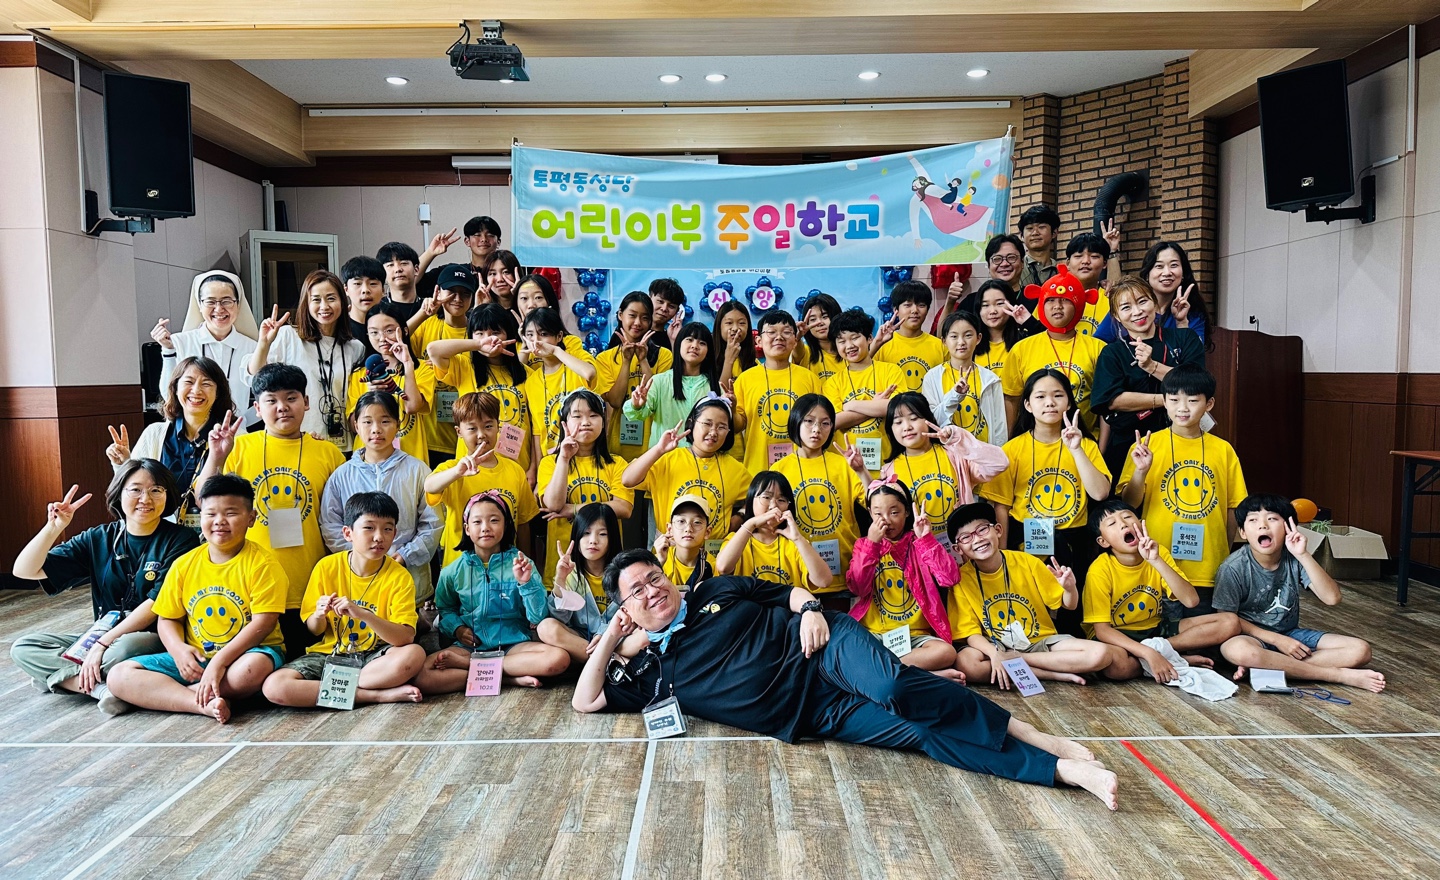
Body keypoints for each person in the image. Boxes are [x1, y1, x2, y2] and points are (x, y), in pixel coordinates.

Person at [574, 549, 1119, 810]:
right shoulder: (652, 671)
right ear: (625, 609)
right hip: (815, 713)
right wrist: (611, 638)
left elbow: (786, 594)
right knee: (923, 735)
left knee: (894, 689)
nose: (653, 591)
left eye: (654, 578)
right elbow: (586, 701)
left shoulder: (715, 590)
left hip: (825, 648)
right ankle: (1059, 770)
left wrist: (812, 608)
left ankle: (1034, 734)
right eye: (636, 592)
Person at [10, 462, 200, 713]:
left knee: (122, 650)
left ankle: (57, 676)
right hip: (102, 633)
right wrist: (53, 528)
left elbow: (156, 604)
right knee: (24, 648)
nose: (145, 499)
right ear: (119, 493)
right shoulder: (99, 537)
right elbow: (24, 570)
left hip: (150, 636)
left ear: (168, 496)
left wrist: (101, 644)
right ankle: (100, 689)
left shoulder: (182, 539)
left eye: (156, 490)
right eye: (135, 490)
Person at [105, 474, 288, 724]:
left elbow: (263, 623)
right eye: (210, 514)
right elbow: (168, 619)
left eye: (231, 513)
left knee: (253, 668)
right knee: (119, 675)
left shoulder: (263, 564)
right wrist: (178, 651)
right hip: (197, 659)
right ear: (200, 517)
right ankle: (202, 704)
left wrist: (219, 663)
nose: (219, 521)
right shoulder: (184, 564)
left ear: (251, 518)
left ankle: (172, 695)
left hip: (246, 654)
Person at [195, 363, 348, 658]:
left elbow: (341, 517)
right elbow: (204, 501)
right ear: (257, 407)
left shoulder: (328, 452)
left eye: (291, 398)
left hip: (310, 587)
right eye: (271, 400)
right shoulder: (238, 448)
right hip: (251, 587)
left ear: (306, 402)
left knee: (304, 666)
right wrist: (216, 456)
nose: (282, 407)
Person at [262, 492, 427, 708]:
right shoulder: (326, 567)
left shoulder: (399, 576)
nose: (379, 537)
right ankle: (373, 696)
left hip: (375, 660)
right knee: (275, 686)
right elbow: (314, 630)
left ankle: (343, 688)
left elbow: (405, 638)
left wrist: (364, 615)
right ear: (348, 533)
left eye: (387, 529)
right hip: (331, 655)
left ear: (395, 533)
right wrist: (319, 615)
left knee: (414, 654)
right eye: (369, 528)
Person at [1215, 495, 1386, 693]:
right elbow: (1226, 619)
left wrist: (1303, 554)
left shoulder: (1295, 557)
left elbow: (1332, 598)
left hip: (1291, 634)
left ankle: (1267, 666)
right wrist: (1278, 640)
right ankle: (1336, 675)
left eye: (1272, 518)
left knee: (1360, 650)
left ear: (1289, 527)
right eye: (1253, 520)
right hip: (1250, 637)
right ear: (1243, 532)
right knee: (1241, 651)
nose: (1263, 525)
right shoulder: (1233, 567)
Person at [947, 503, 1124, 687]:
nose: (977, 539)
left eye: (982, 529)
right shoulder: (961, 580)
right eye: (966, 537)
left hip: (1041, 642)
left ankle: (1017, 660)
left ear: (998, 530)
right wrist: (994, 653)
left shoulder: (1027, 562)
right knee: (966, 663)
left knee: (1100, 654)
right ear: (958, 549)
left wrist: (1070, 589)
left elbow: (1069, 605)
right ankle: (1053, 674)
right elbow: (970, 633)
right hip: (996, 644)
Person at [979, 371, 1110, 617]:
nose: (1049, 402)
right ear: (1027, 405)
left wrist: (1076, 450)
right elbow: (1001, 507)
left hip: (1073, 543)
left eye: (1058, 395)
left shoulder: (1086, 445)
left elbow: (1100, 493)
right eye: (1040, 397)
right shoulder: (1012, 449)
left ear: (1069, 403)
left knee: (1069, 614)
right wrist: (1003, 556)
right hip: (1025, 543)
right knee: (1031, 611)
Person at [413, 493, 570, 692]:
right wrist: (458, 629)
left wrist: (526, 583)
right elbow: (446, 610)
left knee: (558, 658)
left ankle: (474, 668)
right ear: (467, 528)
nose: (486, 527)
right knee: (422, 675)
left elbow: (538, 617)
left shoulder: (523, 564)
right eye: (477, 522)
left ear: (506, 525)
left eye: (494, 520)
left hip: (514, 647)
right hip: (469, 648)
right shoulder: (452, 571)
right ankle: (507, 679)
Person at [1119, 366, 1247, 607]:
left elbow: (1233, 507)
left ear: (1209, 404)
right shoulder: (1146, 446)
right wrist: (1141, 470)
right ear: (1164, 401)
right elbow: (1129, 503)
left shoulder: (1223, 450)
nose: (1183, 408)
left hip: (1208, 564)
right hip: (1158, 560)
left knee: (1205, 624)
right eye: (1174, 400)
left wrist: (1223, 550)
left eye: (1193, 400)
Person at [1084, 499, 1240, 682]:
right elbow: (1102, 631)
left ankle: (1160, 655)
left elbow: (1191, 600)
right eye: (1112, 523)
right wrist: (1146, 652)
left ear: (1141, 523)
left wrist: (1156, 561)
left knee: (1230, 622)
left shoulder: (1158, 553)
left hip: (1156, 630)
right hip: (1118, 635)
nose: (1123, 524)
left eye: (1127, 517)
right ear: (1103, 541)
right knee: (1117, 668)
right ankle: (1169, 659)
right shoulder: (1100, 570)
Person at [320, 391, 442, 600]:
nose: (376, 429)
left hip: (408, 578)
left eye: (385, 421)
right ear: (356, 426)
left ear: (398, 424)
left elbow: (433, 523)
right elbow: (330, 525)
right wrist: (361, 555)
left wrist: (405, 555)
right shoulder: (342, 475)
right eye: (367, 422)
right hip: (358, 580)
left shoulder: (417, 470)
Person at [1090, 276, 1205, 476]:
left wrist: (1152, 366)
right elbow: (1111, 400)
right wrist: (1168, 401)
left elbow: (1196, 384)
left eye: (1142, 301)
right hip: (1129, 444)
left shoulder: (1185, 337)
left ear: (1154, 303)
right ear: (1116, 315)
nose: (1137, 312)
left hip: (1182, 439)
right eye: (1126, 307)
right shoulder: (1112, 353)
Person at [847, 479, 962, 676]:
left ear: (907, 511)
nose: (886, 520)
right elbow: (858, 587)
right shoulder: (863, 544)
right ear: (869, 513)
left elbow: (950, 578)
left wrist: (926, 539)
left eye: (894, 512)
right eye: (878, 514)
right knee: (842, 650)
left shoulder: (919, 542)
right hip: (873, 634)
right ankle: (927, 676)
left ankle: (884, 669)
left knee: (946, 653)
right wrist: (872, 545)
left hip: (914, 637)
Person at [106, 355, 232, 527]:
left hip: (217, 531)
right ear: (175, 388)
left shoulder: (234, 437)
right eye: (189, 382)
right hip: (161, 533)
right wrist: (123, 464)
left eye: (206, 384)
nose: (196, 390)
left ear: (218, 393)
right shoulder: (154, 433)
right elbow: (133, 492)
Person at [247, 270, 366, 448]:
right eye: (316, 300)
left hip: (341, 445)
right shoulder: (289, 336)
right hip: (297, 440)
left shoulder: (355, 348)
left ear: (342, 301)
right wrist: (264, 343)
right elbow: (255, 377)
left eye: (331, 298)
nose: (324, 306)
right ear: (306, 303)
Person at [425, 391, 539, 568]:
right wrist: (457, 472)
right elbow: (430, 486)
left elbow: (523, 523)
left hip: (506, 571)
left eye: (488, 426)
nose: (481, 434)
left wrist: (526, 563)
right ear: (459, 432)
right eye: (472, 428)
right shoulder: (452, 469)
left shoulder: (514, 470)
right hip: (461, 571)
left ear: (498, 426)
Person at [622, 398, 751, 550]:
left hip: (714, 556)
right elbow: (627, 480)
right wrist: (659, 449)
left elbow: (757, 497)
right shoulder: (668, 460)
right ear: (692, 423)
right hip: (668, 554)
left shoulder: (736, 469)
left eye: (721, 427)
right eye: (707, 424)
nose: (713, 432)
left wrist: (740, 516)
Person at [771, 394, 869, 592]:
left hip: (845, 572)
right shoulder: (779, 469)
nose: (817, 429)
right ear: (796, 421)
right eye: (809, 421)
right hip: (799, 577)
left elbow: (874, 503)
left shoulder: (844, 464)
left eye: (825, 423)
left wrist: (861, 471)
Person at [881, 392, 1008, 540]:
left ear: (928, 419)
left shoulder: (954, 455)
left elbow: (1000, 463)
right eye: (898, 422)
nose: (907, 427)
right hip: (921, 550)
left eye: (914, 418)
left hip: (962, 545)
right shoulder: (888, 472)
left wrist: (958, 439)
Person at [1002, 264, 1108, 439]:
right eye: (1050, 300)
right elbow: (1011, 400)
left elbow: (1106, 404)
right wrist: (1011, 441)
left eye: (1065, 300)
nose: (1057, 306)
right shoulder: (1021, 349)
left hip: (1085, 441)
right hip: (1034, 444)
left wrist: (1101, 449)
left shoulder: (1098, 348)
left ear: (1079, 303)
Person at [427, 303, 533, 476]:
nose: (489, 339)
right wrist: (478, 345)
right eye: (480, 333)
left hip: (518, 469)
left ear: (508, 334)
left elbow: (535, 426)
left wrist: (533, 468)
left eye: (495, 332)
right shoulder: (464, 367)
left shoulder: (527, 374)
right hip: (472, 468)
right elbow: (433, 350)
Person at [538, 390, 634, 576]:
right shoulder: (550, 463)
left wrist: (573, 509)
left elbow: (624, 508)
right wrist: (564, 458)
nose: (586, 422)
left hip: (607, 566)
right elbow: (554, 505)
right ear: (564, 423)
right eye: (577, 416)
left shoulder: (617, 464)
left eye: (593, 415)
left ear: (603, 422)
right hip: (564, 564)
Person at [153, 270, 258, 414]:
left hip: (235, 427)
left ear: (238, 305)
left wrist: (244, 421)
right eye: (210, 302)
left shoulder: (252, 347)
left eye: (226, 301)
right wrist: (168, 350)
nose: (219, 309)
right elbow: (168, 394)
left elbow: (266, 395)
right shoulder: (178, 342)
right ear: (200, 305)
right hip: (191, 426)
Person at [406, 264, 480, 464]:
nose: (458, 299)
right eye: (451, 292)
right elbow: (394, 340)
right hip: (428, 435)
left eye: (465, 293)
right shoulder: (427, 324)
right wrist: (424, 313)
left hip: (466, 437)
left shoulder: (477, 332)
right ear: (438, 291)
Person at [733, 310, 821, 475]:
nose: (779, 337)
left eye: (786, 332)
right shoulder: (745, 379)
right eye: (771, 332)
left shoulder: (810, 378)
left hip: (802, 470)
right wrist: (731, 408)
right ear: (759, 341)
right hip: (757, 470)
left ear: (795, 341)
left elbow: (820, 423)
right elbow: (738, 426)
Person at [345, 302, 435, 462]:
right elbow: (353, 425)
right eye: (374, 332)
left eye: (389, 330)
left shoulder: (422, 369)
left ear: (404, 330)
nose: (382, 338)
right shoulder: (359, 374)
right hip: (368, 462)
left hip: (410, 461)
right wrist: (370, 395)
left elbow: (412, 407)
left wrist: (407, 364)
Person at [537, 502, 623, 665]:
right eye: (586, 533)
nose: (593, 541)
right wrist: (560, 579)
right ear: (576, 537)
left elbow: (631, 615)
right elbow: (560, 619)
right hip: (583, 641)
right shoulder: (571, 574)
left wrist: (605, 634)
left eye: (602, 534)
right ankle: (609, 664)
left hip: (616, 638)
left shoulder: (624, 574)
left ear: (612, 537)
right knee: (546, 627)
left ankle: (599, 663)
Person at [823, 310, 905, 476]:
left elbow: (897, 408)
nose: (849, 346)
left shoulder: (890, 371)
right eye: (841, 341)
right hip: (849, 469)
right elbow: (836, 421)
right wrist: (876, 406)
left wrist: (851, 405)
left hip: (889, 466)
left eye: (855, 337)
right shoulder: (832, 383)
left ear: (869, 338)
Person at [717, 472, 830, 590]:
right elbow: (723, 567)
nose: (773, 506)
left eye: (781, 500)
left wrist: (798, 539)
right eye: (766, 497)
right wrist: (751, 524)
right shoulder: (737, 539)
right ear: (751, 500)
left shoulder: (795, 544)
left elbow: (824, 581)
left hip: (787, 602)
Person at [597, 291, 672, 469]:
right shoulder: (605, 359)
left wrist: (643, 360)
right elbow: (615, 401)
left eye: (645, 318)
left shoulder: (664, 355)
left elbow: (658, 398)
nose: (638, 323)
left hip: (654, 444)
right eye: (632, 315)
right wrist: (626, 361)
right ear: (620, 315)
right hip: (618, 447)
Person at [623, 322, 722, 454]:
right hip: (664, 459)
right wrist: (636, 406)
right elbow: (636, 415)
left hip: (701, 460)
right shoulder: (659, 381)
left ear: (708, 351)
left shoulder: (715, 387)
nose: (694, 346)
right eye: (689, 340)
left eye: (702, 343)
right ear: (679, 344)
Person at [521, 307, 599, 469]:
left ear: (559, 336)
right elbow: (538, 431)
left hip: (584, 456)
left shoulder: (576, 361)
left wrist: (555, 350)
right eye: (530, 335)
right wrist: (538, 468)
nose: (536, 341)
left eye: (543, 334)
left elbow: (589, 373)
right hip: (552, 461)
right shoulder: (532, 381)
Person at [1096, 241, 1212, 347]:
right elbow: (1097, 346)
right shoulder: (1127, 310)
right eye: (1159, 266)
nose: (1167, 272)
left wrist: (1182, 324)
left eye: (1174, 265)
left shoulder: (1192, 314)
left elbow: (1194, 357)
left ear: (1183, 274)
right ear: (1147, 274)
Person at [924, 311, 1007, 445]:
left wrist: (998, 453)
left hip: (983, 452)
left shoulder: (991, 379)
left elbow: (999, 427)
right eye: (954, 336)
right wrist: (955, 396)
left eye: (968, 335)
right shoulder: (932, 377)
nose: (961, 342)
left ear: (978, 338)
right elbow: (933, 422)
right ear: (944, 341)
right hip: (948, 453)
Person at [873, 281, 948, 392]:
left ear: (927, 309)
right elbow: (860, 371)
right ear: (896, 310)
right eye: (907, 305)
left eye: (921, 305)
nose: (914, 310)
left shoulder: (940, 347)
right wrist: (876, 343)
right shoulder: (882, 345)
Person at [963, 280, 1031, 376]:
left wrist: (1029, 322)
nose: (992, 311)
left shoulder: (1025, 341)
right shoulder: (971, 344)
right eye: (985, 305)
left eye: (999, 303)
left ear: (1011, 305)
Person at [653, 494, 718, 587]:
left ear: (707, 532)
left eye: (697, 522)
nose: (688, 529)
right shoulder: (658, 560)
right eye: (681, 521)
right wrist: (660, 562)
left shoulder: (713, 566)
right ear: (670, 529)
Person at [1062, 232, 1113, 338]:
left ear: (1104, 263)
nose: (1085, 261)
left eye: (1094, 256)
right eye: (1078, 256)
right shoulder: (1053, 296)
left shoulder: (1111, 298)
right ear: (1067, 263)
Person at [793, 293, 844, 383]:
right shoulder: (805, 353)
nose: (819, 323)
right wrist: (797, 337)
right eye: (813, 319)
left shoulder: (850, 352)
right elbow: (796, 346)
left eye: (825, 317)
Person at [341, 256, 386, 356]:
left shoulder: (391, 327)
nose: (365, 290)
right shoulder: (339, 328)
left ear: (383, 290)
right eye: (357, 283)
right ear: (346, 289)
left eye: (373, 283)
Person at [377, 241, 429, 326]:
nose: (398, 269)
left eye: (404, 263)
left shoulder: (429, 307)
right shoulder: (376, 310)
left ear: (416, 270)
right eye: (390, 265)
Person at [1015, 205, 1061, 292]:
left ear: (1054, 233)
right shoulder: (1015, 268)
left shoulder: (1061, 272)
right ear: (1021, 235)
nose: (1035, 233)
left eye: (1041, 227)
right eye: (1030, 228)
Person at [713, 300, 756, 386]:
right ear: (719, 326)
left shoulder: (754, 363)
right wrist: (729, 360)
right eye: (729, 323)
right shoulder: (707, 359)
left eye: (741, 323)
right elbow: (720, 392)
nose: (735, 328)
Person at [649, 277, 687, 342]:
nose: (664, 309)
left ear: (677, 311)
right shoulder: (633, 330)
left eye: (671, 306)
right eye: (660, 301)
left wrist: (674, 341)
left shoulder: (673, 340)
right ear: (649, 299)